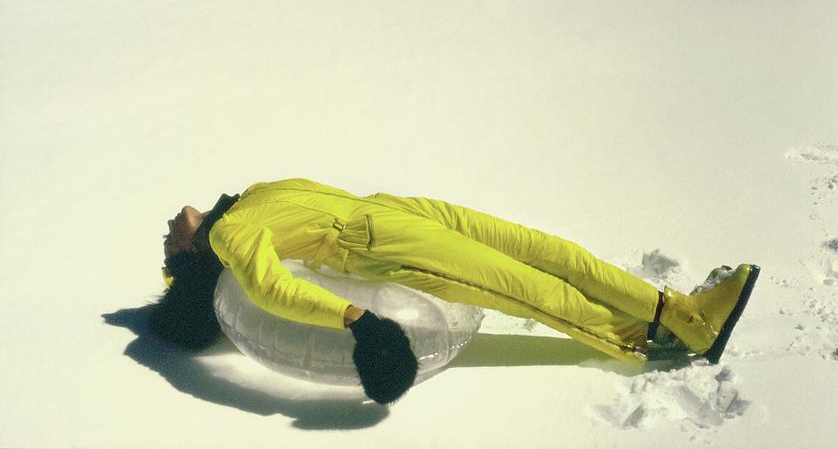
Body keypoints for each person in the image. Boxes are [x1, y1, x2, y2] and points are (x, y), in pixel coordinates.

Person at [152, 177, 759, 404]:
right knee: (526, 288)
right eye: (168, 242)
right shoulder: (232, 233)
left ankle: (676, 307)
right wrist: (357, 320)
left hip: (394, 208)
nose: (167, 226)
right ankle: (655, 336)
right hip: (380, 242)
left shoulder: (247, 196)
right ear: (192, 253)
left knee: (548, 250)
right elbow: (270, 289)